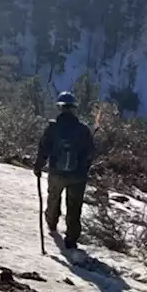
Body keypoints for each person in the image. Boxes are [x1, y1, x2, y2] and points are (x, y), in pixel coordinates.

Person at [33, 91, 95, 250]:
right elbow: (90, 154)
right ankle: (71, 239)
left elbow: (43, 149)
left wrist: (38, 166)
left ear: (60, 107)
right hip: (77, 177)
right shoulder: (83, 130)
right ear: (74, 108)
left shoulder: (53, 128)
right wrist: (83, 170)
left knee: (53, 199)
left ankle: (52, 224)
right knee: (74, 207)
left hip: (56, 173)